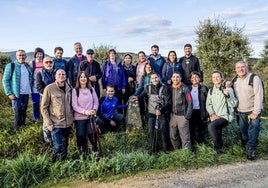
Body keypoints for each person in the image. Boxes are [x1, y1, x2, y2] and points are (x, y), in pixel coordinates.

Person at [40, 69, 73, 162]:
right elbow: (44, 107)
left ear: (66, 76)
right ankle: (53, 163)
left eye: (63, 74)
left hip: (67, 123)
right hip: (55, 123)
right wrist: (48, 123)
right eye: (59, 74)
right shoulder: (49, 88)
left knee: (65, 145)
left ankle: (63, 164)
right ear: (55, 76)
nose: (61, 76)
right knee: (58, 146)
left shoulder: (69, 88)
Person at [233, 61, 263, 160]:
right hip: (241, 110)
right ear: (235, 69)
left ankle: (251, 150)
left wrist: (256, 112)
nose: (240, 69)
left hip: (253, 110)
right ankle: (246, 145)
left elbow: (259, 95)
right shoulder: (235, 80)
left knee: (254, 128)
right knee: (243, 131)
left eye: (242, 67)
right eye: (238, 68)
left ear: (247, 67)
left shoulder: (254, 78)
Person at [133, 73, 171, 153]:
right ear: (150, 79)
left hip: (162, 113)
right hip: (151, 113)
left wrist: (161, 110)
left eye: (156, 78)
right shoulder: (148, 87)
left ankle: (166, 150)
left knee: (164, 131)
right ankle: (153, 150)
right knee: (151, 132)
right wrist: (136, 97)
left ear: (159, 78)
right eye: (153, 78)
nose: (155, 80)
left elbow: (168, 103)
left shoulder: (165, 88)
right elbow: (142, 95)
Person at [206, 70, 238, 155]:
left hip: (226, 116)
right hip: (215, 116)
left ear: (221, 78)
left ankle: (217, 150)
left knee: (211, 126)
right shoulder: (211, 90)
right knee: (217, 131)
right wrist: (212, 114)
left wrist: (227, 95)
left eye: (217, 77)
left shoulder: (227, 88)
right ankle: (220, 150)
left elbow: (234, 104)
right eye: (214, 77)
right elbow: (208, 104)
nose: (215, 78)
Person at [2, 49, 33, 131]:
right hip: (16, 93)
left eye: (23, 55)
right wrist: (9, 93)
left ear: (26, 56)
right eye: (20, 55)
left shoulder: (27, 66)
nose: (21, 57)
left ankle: (23, 127)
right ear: (16, 56)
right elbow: (5, 80)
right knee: (17, 112)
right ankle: (17, 130)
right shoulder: (11, 66)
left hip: (26, 93)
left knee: (24, 111)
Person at [72, 71, 100, 155]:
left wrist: (94, 110)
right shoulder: (75, 91)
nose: (83, 79)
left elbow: (96, 102)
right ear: (78, 79)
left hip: (91, 118)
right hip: (79, 118)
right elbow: (74, 106)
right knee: (81, 137)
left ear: (87, 79)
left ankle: (94, 154)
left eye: (84, 77)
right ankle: (83, 154)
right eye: (81, 77)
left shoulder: (91, 90)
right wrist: (86, 112)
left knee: (92, 136)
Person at [169, 72, 193, 151]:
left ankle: (186, 154)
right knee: (173, 136)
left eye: (177, 77)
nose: (175, 79)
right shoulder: (170, 88)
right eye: (174, 77)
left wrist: (187, 116)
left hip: (182, 116)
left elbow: (190, 102)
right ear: (171, 78)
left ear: (180, 78)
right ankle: (178, 152)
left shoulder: (184, 88)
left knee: (185, 137)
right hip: (173, 116)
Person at [36, 56, 56, 143]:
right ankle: (48, 141)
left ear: (53, 63)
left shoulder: (58, 72)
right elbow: (39, 88)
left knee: (56, 117)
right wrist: (49, 95)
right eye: (47, 62)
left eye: (50, 62)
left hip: (57, 100)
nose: (49, 64)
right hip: (46, 99)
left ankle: (56, 138)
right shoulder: (39, 74)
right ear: (43, 64)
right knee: (46, 119)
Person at [188, 71, 209, 147]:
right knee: (191, 130)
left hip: (201, 112)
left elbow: (208, 102)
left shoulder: (204, 88)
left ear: (199, 78)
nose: (194, 79)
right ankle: (193, 147)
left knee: (201, 131)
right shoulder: (188, 88)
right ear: (190, 79)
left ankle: (201, 147)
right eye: (192, 77)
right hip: (192, 112)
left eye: (196, 77)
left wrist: (207, 114)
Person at [29, 47, 45, 124]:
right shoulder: (32, 64)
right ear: (35, 55)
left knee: (44, 103)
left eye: (41, 54)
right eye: (38, 54)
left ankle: (44, 118)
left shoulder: (45, 63)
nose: (39, 55)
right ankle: (36, 118)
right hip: (34, 87)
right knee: (35, 103)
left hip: (43, 87)